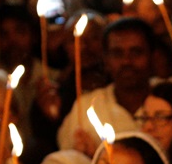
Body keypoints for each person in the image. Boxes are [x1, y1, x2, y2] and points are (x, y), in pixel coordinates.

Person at [57, 17, 158, 154]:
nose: (127, 61)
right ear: (106, 60)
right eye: (117, 54)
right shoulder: (87, 106)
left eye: (136, 52)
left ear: (152, 56)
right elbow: (67, 159)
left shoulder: (171, 95)